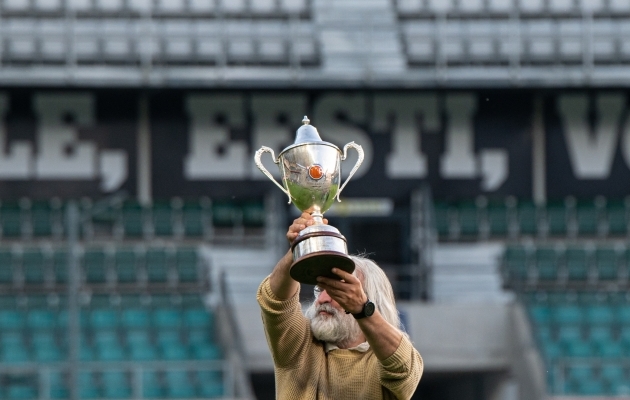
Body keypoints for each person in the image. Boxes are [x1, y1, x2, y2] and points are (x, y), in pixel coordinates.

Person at [257, 212, 423, 400]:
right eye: (321, 289)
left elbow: (403, 367)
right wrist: (298, 247)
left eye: (338, 290)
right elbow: (275, 301)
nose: (323, 299)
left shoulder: (385, 359)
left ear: (370, 299)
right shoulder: (299, 346)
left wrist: (362, 309)